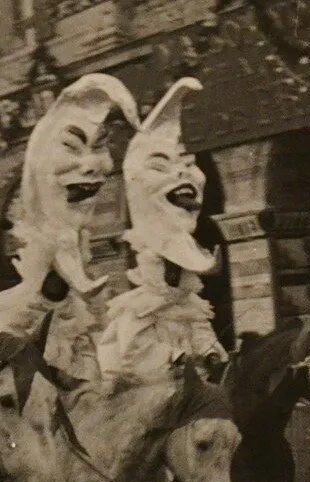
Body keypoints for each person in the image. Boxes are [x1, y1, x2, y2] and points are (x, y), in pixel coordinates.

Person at [0, 73, 141, 482]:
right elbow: (10, 345)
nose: (93, 166)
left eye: (101, 149)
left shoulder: (78, 257)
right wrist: (49, 295)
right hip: (33, 387)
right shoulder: (31, 285)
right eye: (74, 148)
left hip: (78, 372)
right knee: (31, 431)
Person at [96, 77, 227, 386]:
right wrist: (175, 358)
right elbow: (132, 352)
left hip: (193, 385)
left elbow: (200, 331)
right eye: (160, 166)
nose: (174, 274)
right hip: (152, 386)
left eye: (187, 163)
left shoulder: (189, 303)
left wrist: (210, 353)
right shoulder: (139, 307)